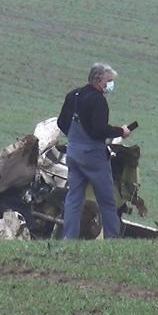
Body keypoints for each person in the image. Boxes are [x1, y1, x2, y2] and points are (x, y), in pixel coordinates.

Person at [57, 63, 131, 239]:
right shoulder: (98, 100)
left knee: (74, 199)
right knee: (107, 200)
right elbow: (99, 130)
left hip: (73, 153)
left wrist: (75, 139)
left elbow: (61, 122)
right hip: (94, 157)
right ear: (99, 81)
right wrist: (121, 132)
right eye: (109, 81)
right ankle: (112, 238)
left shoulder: (73, 95)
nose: (111, 85)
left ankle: (69, 238)